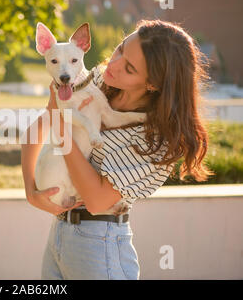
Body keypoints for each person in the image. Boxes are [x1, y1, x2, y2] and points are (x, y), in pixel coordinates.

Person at [20, 19, 213, 280]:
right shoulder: (94, 80)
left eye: (129, 68)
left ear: (153, 82)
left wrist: (63, 130)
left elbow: (97, 201)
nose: (113, 64)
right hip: (59, 233)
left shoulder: (156, 141)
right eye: (121, 48)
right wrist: (30, 190)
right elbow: (42, 124)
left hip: (99, 247)